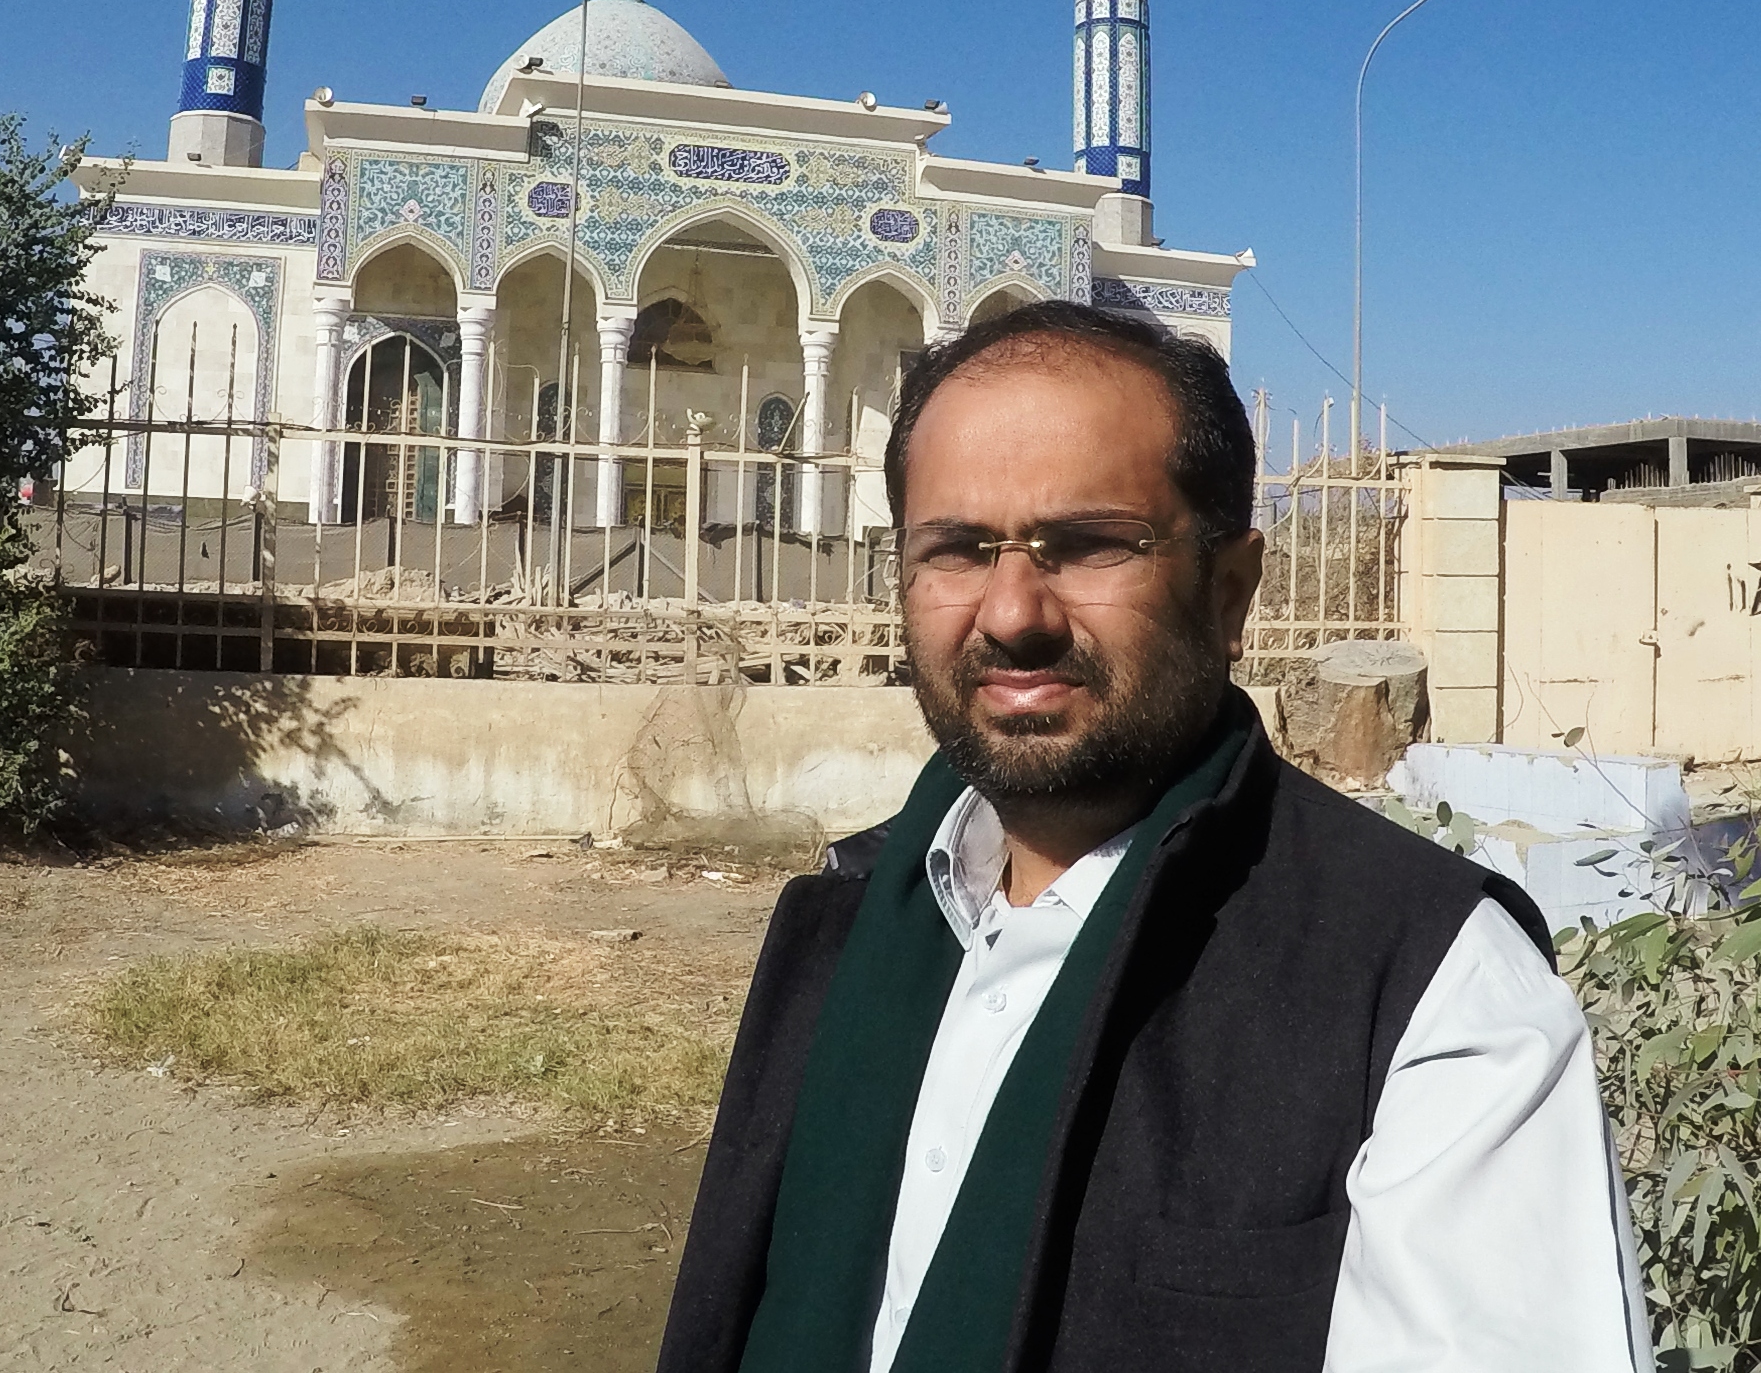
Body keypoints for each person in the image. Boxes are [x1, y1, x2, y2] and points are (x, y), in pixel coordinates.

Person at [656, 299, 1648, 1373]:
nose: (1011, 612)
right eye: (957, 549)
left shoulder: (1429, 991)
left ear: (1229, 592)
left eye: (1086, 545)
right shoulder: (850, 922)